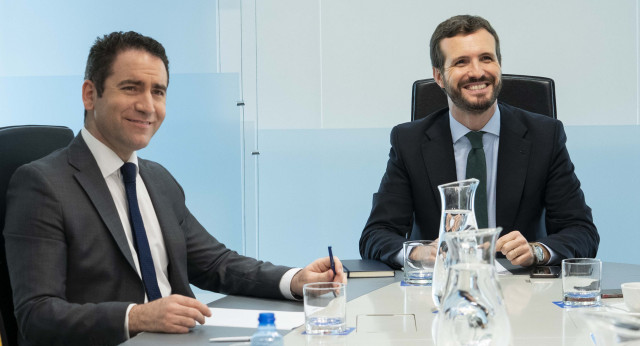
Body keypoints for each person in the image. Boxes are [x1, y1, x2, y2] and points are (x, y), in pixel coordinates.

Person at [3, 31, 346, 346]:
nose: (148, 106)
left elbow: (215, 263)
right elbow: (37, 314)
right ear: (90, 94)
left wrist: (295, 280)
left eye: (158, 91)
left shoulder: (158, 179)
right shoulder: (42, 185)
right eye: (131, 87)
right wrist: (136, 316)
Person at [359, 15, 599, 269]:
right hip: (440, 293)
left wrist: (537, 251)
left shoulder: (544, 136)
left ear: (499, 65)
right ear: (439, 77)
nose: (477, 72)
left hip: (522, 292)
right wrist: (419, 253)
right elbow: (376, 235)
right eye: (461, 62)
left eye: (486, 58)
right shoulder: (409, 142)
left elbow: (581, 230)